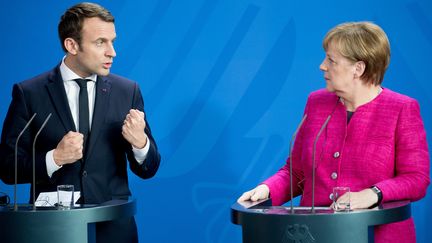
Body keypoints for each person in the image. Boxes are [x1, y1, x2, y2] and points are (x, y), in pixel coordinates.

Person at [238, 21, 430, 242]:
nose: (322, 66)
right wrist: (267, 189)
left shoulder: (402, 108)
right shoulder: (316, 102)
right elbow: (297, 172)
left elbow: (416, 178)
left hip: (378, 236)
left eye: (331, 60)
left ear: (358, 68)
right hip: (316, 235)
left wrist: (372, 194)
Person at [0, 2, 160, 243]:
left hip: (114, 229)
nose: (112, 52)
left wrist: (141, 144)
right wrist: (54, 158)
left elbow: (149, 168)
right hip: (53, 230)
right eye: (100, 42)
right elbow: (6, 168)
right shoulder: (29, 93)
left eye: (112, 41)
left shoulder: (127, 91)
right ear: (71, 45)